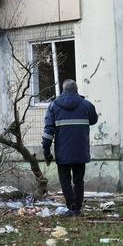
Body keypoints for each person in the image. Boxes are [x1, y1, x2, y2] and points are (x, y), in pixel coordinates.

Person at [42, 80, 98, 216]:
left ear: (63, 90)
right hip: (80, 151)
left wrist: (46, 151)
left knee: (65, 181)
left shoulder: (53, 106)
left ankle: (71, 207)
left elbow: (48, 131)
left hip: (63, 152)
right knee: (78, 181)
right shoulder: (86, 105)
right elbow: (93, 120)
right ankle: (77, 208)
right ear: (76, 90)